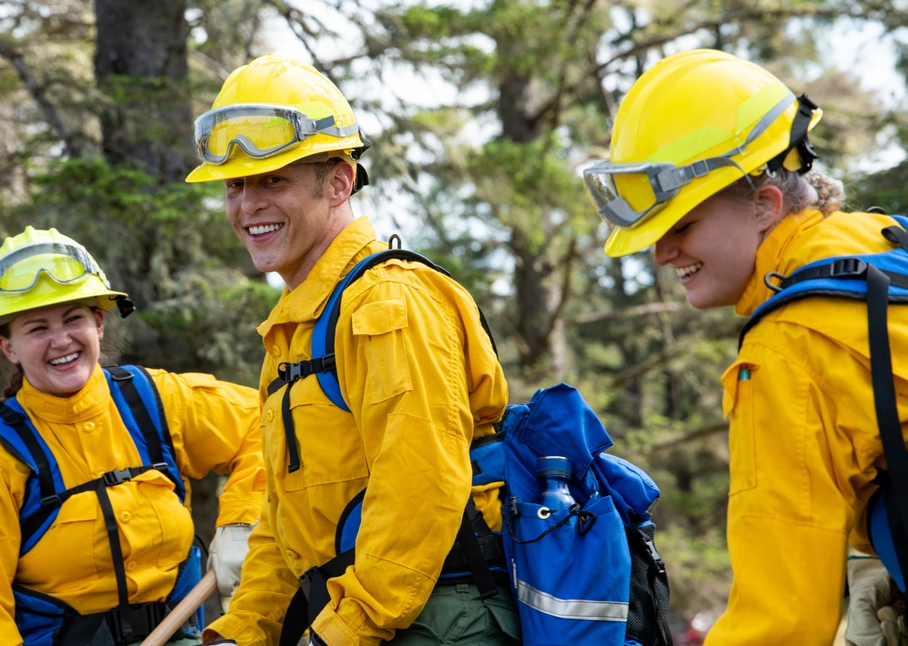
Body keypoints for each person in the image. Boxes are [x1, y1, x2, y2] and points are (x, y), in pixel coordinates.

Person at [185, 54, 519, 645]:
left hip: (434, 620)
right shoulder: (295, 332)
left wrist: (345, 629)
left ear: (339, 181)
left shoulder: (387, 302)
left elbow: (421, 487)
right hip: (362, 621)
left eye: (273, 181)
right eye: (235, 186)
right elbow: (284, 520)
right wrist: (243, 631)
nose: (247, 206)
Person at [583, 48, 908, 645]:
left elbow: (779, 624)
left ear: (765, 204)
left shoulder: (788, 349)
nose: (660, 254)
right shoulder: (880, 245)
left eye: (680, 225)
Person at [0, 226, 266, 644]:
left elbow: (268, 422)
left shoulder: (155, 400)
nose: (61, 340)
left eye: (73, 318)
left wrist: (242, 521)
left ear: (98, 324)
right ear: (8, 347)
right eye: (37, 328)